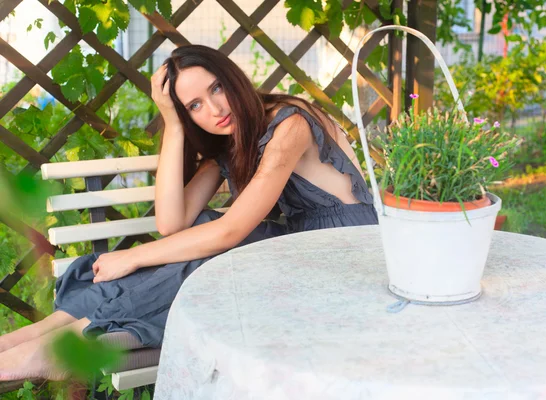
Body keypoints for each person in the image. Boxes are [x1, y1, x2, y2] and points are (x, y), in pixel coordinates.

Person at [0, 45, 377, 381]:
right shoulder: (231, 143)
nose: (214, 109)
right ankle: (35, 336)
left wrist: (131, 256)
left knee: (220, 251)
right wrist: (174, 121)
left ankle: (77, 339)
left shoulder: (290, 124)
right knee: (203, 228)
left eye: (216, 88)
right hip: (298, 250)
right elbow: (172, 223)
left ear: (233, 78)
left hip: (344, 256)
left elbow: (230, 232)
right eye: (194, 105)